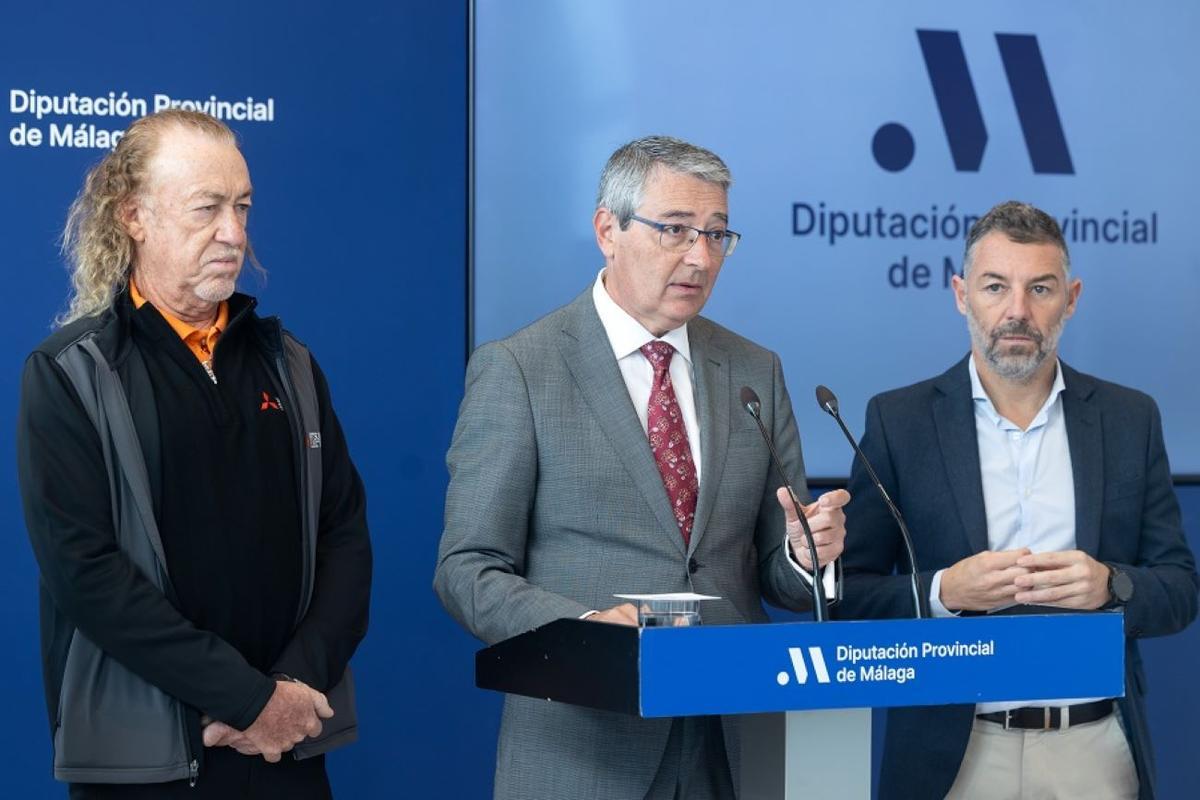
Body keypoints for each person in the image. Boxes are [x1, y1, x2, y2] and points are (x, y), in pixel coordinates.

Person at [434, 135, 849, 800]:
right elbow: (467, 571)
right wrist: (587, 630)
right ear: (608, 229)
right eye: (676, 230)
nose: (700, 257)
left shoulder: (753, 371)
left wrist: (806, 556)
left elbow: (780, 577)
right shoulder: (522, 369)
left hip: (730, 742)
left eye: (718, 235)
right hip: (586, 746)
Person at [17, 109, 372, 799]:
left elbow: (346, 540)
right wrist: (247, 701)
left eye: (242, 207)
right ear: (135, 216)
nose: (233, 233)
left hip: (287, 751)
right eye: (206, 208)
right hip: (144, 763)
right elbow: (85, 575)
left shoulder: (290, 364)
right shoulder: (70, 373)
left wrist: (293, 689)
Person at [837, 200, 1198, 800]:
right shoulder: (899, 421)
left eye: (1041, 289)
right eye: (995, 286)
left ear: (1072, 297)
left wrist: (1110, 585)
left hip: (1095, 750)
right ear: (960, 293)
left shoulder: (1130, 419)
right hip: (955, 751)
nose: (1017, 312)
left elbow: (1180, 589)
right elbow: (850, 594)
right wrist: (944, 592)